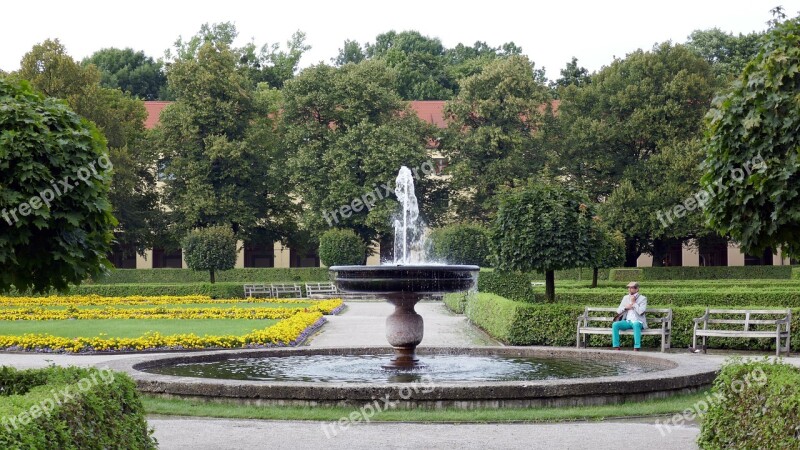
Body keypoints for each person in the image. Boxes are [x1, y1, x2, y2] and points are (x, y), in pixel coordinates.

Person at [612, 281, 648, 351]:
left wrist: (634, 303)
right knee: (615, 324)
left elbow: (641, 311)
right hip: (627, 322)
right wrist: (626, 308)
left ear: (637, 289)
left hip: (638, 321)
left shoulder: (643, 298)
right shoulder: (625, 298)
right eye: (628, 288)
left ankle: (636, 347)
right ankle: (616, 346)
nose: (629, 289)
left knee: (636, 324)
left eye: (631, 288)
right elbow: (618, 311)